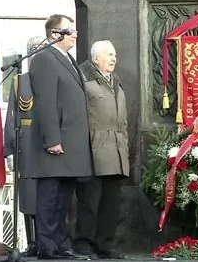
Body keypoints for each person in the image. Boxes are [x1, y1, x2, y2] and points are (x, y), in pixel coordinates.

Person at [29, 14, 92, 260]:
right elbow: (45, 103)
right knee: (50, 197)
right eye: (70, 30)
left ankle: (59, 244)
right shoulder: (45, 59)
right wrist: (52, 139)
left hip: (71, 145)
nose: (75, 33)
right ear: (55, 34)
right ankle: (47, 247)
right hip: (56, 143)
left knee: (63, 198)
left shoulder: (67, 59)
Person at [74, 40, 129, 259]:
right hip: (94, 149)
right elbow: (78, 118)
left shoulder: (116, 82)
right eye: (109, 55)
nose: (114, 58)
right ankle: (83, 243)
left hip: (116, 151)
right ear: (96, 58)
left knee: (111, 203)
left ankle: (105, 244)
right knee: (90, 201)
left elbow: (122, 120)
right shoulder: (85, 80)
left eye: (115, 54)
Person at [3, 36, 44, 257]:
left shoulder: (53, 79)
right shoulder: (21, 81)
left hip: (49, 146)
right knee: (28, 198)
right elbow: (12, 117)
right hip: (27, 146)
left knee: (50, 197)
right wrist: (9, 149)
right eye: (34, 49)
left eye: (40, 49)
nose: (37, 53)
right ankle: (33, 242)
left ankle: (49, 241)